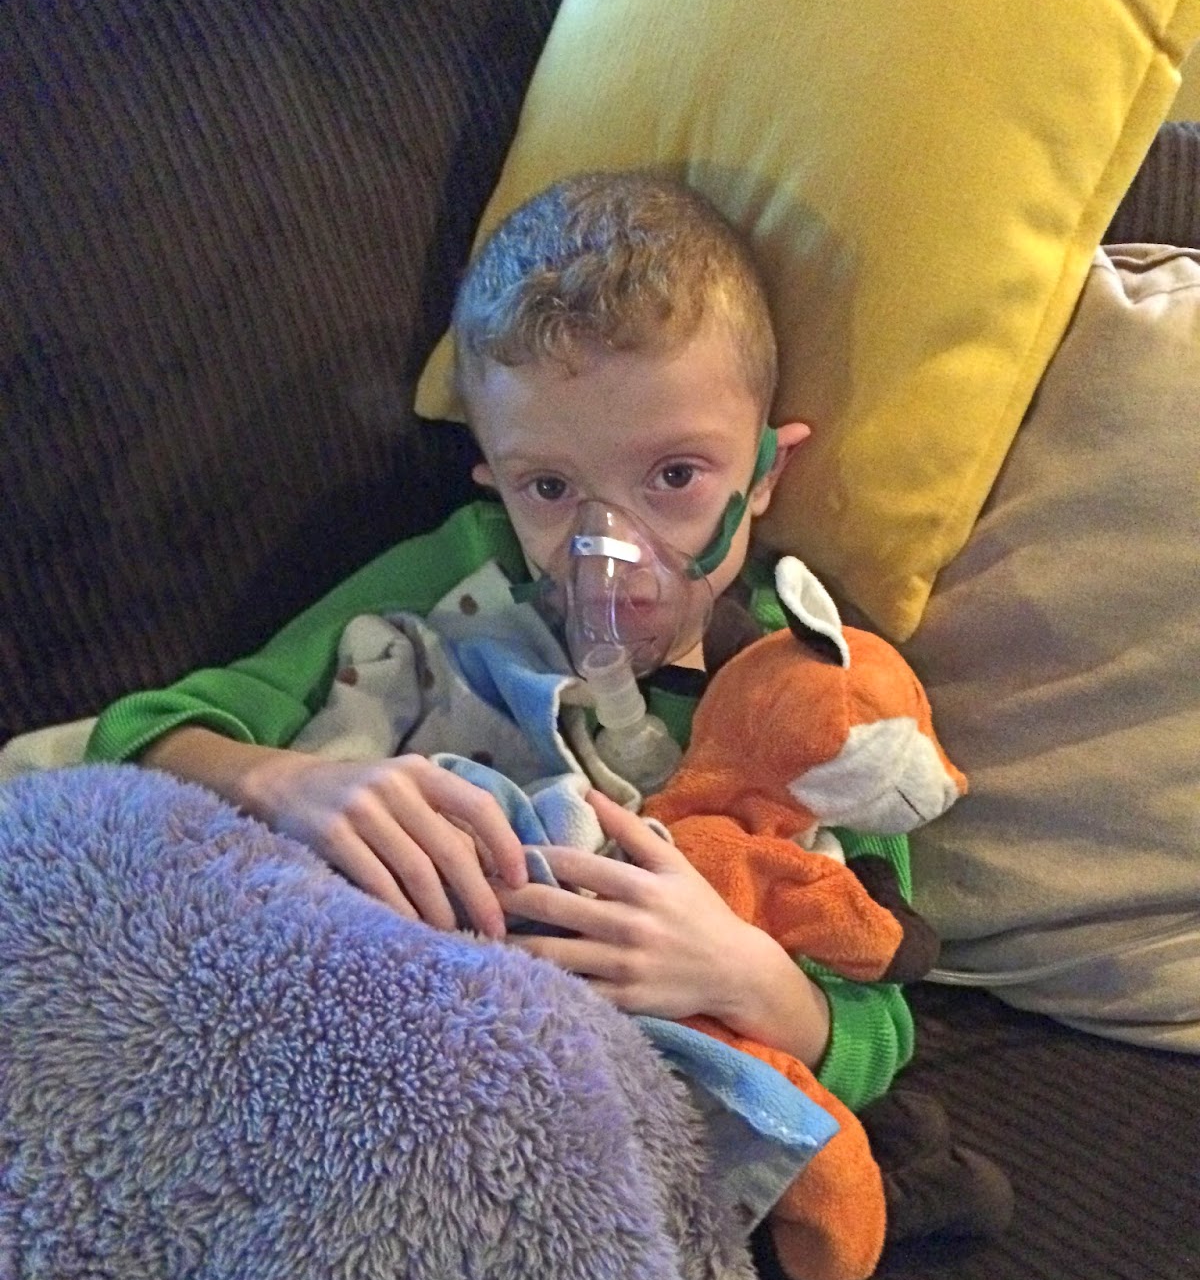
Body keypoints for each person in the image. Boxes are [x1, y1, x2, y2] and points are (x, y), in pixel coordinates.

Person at [86, 171, 914, 1112]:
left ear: (765, 473)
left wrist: (742, 975)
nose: (611, 551)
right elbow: (142, 732)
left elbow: (878, 1030)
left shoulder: (815, 687)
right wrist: (289, 782)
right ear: (497, 483)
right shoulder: (460, 573)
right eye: (551, 489)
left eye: (674, 475)